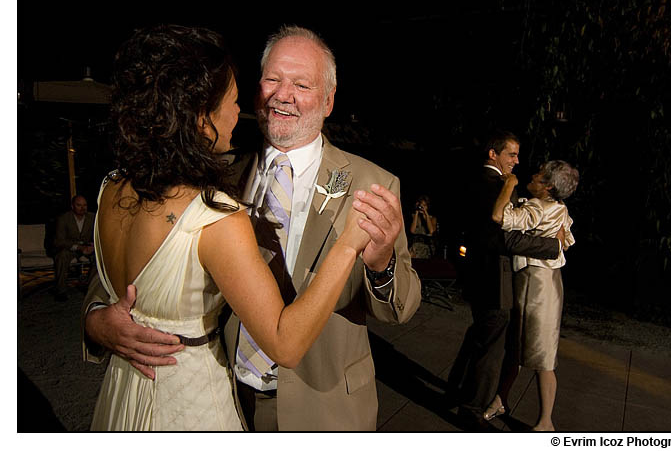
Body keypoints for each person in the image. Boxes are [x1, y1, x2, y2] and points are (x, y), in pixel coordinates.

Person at [81, 25, 422, 431]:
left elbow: (402, 307)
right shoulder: (212, 175)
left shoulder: (372, 183)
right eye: (273, 80)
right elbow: (130, 278)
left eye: (301, 84)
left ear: (329, 101)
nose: (283, 94)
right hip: (227, 399)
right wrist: (97, 320)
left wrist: (381, 265)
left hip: (327, 408)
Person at [445, 130, 565, 430]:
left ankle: (456, 391)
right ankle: (472, 408)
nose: (517, 160)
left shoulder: (491, 182)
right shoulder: (490, 184)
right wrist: (552, 247)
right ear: (493, 154)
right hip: (492, 278)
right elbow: (503, 239)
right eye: (511, 154)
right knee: (491, 347)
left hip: (484, 275)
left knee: (480, 336)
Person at [490, 160, 578, 431]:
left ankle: (545, 422)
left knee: (541, 353)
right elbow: (568, 240)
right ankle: (500, 400)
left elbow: (499, 217)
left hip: (536, 284)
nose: (533, 175)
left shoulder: (538, 207)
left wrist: (509, 184)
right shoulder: (559, 209)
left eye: (539, 175)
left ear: (548, 186)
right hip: (549, 281)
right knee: (519, 347)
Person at [52, 194, 96, 301]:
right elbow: (59, 241)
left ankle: (89, 287)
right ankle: (61, 290)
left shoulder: (93, 217)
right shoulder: (63, 219)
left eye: (85, 205)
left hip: (87, 247)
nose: (82, 208)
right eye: (79, 205)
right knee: (61, 256)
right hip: (70, 248)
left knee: (99, 258)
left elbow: (100, 235)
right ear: (72, 206)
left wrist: (94, 245)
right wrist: (78, 247)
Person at [409, 194, 438, 258]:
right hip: (415, 246)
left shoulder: (432, 218)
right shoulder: (414, 217)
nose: (422, 207)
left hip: (426, 247)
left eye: (424, 205)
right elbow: (412, 231)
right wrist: (416, 213)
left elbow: (431, 231)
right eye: (421, 205)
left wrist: (426, 214)